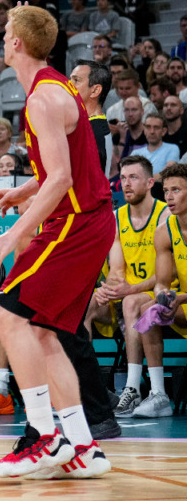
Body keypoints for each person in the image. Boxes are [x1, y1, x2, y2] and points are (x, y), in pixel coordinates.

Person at [0, 4, 113, 479]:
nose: (3, 37)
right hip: (87, 221)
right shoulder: (58, 89)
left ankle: (44, 437)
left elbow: (61, 179)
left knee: (6, 316)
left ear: (16, 43)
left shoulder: (41, 99)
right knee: (41, 332)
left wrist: (14, 233)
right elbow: (61, 169)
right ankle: (83, 446)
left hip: (75, 224)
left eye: (7, 31)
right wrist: (23, 189)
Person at [86, 156, 170, 418]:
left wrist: (128, 291)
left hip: (155, 292)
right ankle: (87, 390)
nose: (126, 184)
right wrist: (109, 289)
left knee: (133, 302)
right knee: (82, 308)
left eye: (133, 177)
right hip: (125, 294)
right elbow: (117, 269)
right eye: (122, 178)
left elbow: (165, 275)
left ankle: (132, 389)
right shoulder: (116, 217)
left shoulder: (165, 214)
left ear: (150, 182)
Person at [132, 164, 187, 416]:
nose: (169, 197)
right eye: (166, 190)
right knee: (149, 309)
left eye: (176, 190)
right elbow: (162, 281)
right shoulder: (165, 232)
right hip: (183, 306)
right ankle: (158, 395)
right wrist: (165, 297)